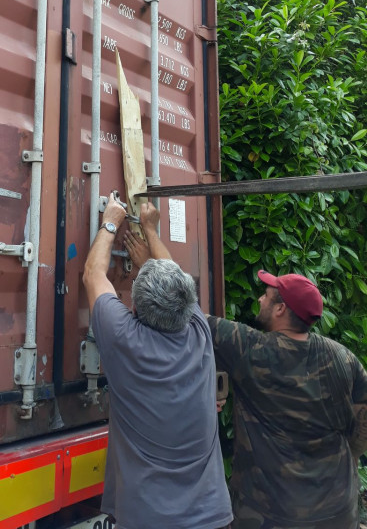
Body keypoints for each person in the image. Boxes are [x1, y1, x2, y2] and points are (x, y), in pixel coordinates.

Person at [127, 202, 367, 529]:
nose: (260, 299)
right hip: (337, 513)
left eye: (267, 295)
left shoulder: (252, 350)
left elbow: (182, 305)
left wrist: (150, 242)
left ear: (281, 309)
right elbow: (362, 428)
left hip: (271, 517)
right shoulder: (343, 357)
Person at [83, 194, 232, 529]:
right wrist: (151, 231)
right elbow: (177, 279)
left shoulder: (126, 339)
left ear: (134, 308)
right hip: (212, 517)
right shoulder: (198, 331)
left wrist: (110, 222)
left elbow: (93, 275)